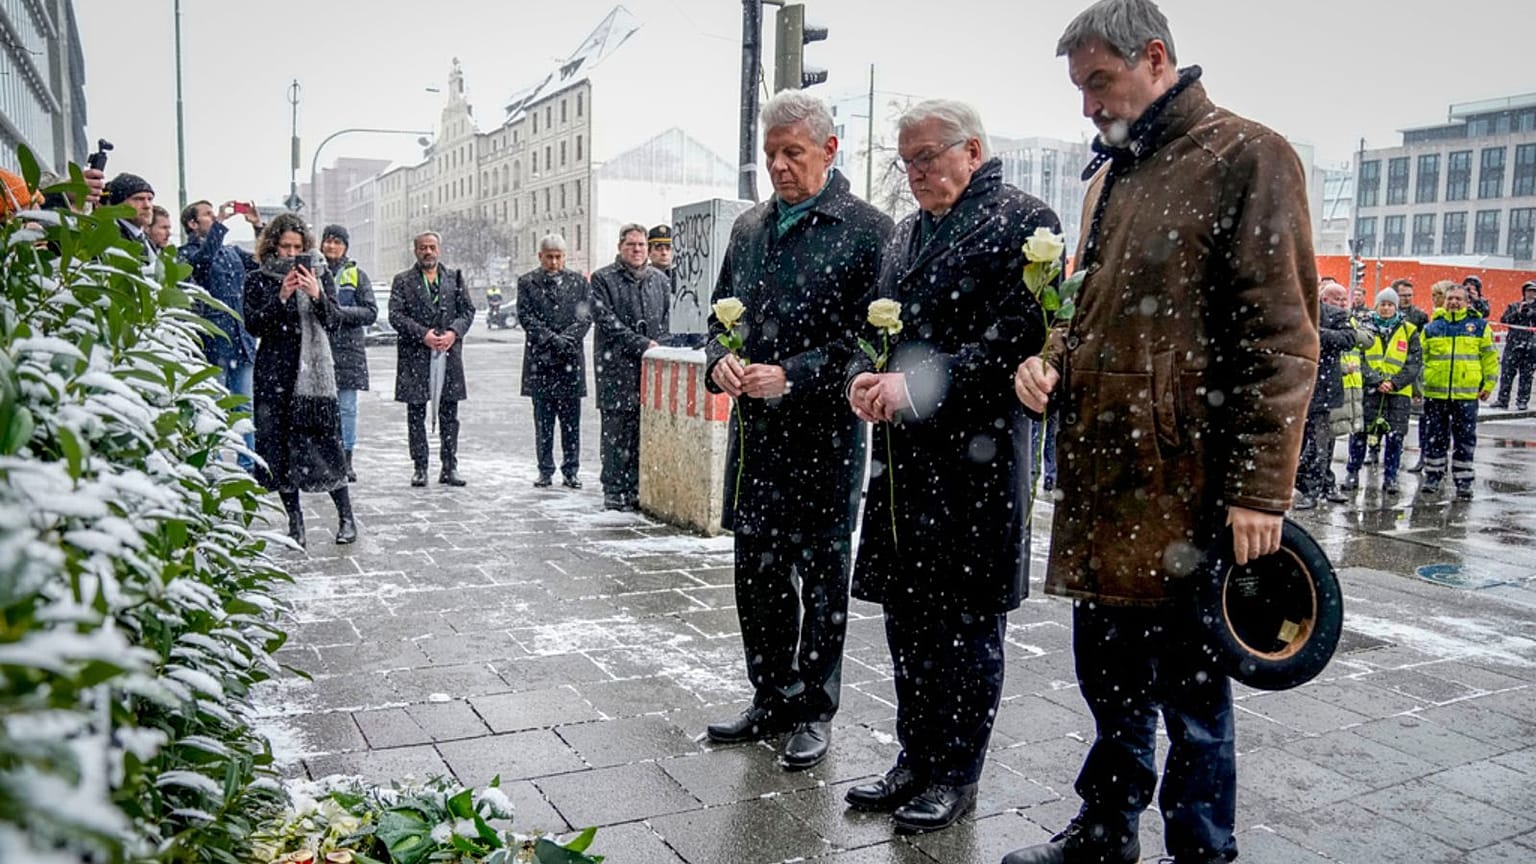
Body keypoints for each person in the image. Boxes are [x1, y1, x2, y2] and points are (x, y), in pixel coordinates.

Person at [1007, 2, 1319, 862]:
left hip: (1189, 491)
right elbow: (1087, 311)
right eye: (1079, 88)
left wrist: (1261, 492)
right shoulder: (1111, 174)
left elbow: (1282, 340)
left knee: (1194, 698)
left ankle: (1201, 849)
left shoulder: (1247, 155)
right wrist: (1050, 359)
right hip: (1107, 484)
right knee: (1108, 681)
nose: (1087, 105)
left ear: (1154, 57)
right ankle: (1106, 829)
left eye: (1098, 82)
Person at [844, 99, 1056, 835]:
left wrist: (919, 384)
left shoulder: (1024, 222)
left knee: (965, 627)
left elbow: (1017, 339)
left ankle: (956, 773)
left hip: (976, 462)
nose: (914, 173)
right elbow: (874, 323)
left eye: (927, 157)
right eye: (905, 161)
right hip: (905, 464)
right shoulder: (905, 232)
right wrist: (862, 378)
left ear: (972, 150)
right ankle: (915, 757)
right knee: (908, 620)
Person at [702, 91, 893, 773]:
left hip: (823, 440)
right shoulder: (749, 229)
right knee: (756, 578)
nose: (779, 167)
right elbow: (717, 320)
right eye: (770, 155)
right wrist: (718, 361)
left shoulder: (868, 231)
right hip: (756, 440)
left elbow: (872, 342)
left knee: (821, 580)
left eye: (793, 153)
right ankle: (771, 696)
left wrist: (795, 374)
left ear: (830, 150)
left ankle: (814, 707)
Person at [242, 213, 356, 547]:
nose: (291, 254)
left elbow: (334, 322)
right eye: (285, 247)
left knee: (326, 445)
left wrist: (317, 295)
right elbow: (254, 325)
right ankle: (296, 522)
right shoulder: (258, 278)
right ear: (272, 246)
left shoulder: (320, 274)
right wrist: (280, 297)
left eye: (297, 247)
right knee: (279, 450)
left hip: (314, 377)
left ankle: (346, 518)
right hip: (274, 373)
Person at [179, 199, 264, 469]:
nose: (214, 217)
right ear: (192, 224)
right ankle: (213, 464)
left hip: (242, 340)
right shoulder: (186, 254)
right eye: (207, 215)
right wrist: (219, 225)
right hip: (213, 343)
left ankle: (247, 464)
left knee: (244, 407)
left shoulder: (231, 252)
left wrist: (257, 227)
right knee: (212, 408)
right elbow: (202, 264)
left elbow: (261, 261)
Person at [590, 224, 670, 510]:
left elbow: (668, 319)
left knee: (641, 432)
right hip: (616, 369)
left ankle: (635, 487)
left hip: (650, 369)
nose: (637, 249)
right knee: (615, 433)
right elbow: (607, 322)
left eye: (641, 245)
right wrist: (642, 344)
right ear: (620, 247)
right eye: (631, 244)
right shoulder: (603, 279)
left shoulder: (659, 280)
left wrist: (660, 345)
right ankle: (613, 489)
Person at [389, 231, 476, 487]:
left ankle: (449, 466)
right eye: (423, 247)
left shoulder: (454, 278)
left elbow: (468, 311)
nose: (428, 252)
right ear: (415, 251)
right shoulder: (403, 281)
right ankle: (420, 466)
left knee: (450, 414)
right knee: (416, 414)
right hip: (415, 356)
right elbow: (396, 315)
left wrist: (453, 333)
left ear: (439, 249)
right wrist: (423, 334)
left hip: (448, 354)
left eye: (432, 247)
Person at [517, 234, 592, 489]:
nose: (554, 262)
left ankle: (571, 470)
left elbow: (585, 317)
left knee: (571, 423)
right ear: (540, 256)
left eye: (558, 257)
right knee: (544, 422)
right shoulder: (527, 282)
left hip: (570, 361)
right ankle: (545, 470)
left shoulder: (579, 282)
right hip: (541, 362)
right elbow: (526, 317)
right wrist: (551, 339)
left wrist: (566, 339)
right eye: (549, 257)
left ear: (564, 256)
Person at [1295, 281, 1371, 509]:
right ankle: (1317, 484)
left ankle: (1314, 489)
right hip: (1299, 387)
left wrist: (1315, 333)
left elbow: (1348, 339)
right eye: (1337, 298)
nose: (1341, 302)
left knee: (1320, 442)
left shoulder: (1336, 315)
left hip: (1324, 390)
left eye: (1343, 298)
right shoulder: (1297, 310)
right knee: (1301, 442)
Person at [1420, 283, 1499, 500]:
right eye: (1450, 299)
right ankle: (1433, 476)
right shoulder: (1432, 328)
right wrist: (1419, 386)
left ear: (1467, 302)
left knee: (1464, 439)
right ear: (1444, 302)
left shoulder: (1479, 327)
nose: (1454, 302)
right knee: (1435, 438)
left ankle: (1464, 481)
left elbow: (1490, 358)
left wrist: (1488, 385)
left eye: (1458, 299)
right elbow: (1421, 359)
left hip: (1466, 395)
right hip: (1436, 394)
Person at [1341, 288, 1420, 495]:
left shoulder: (1409, 331)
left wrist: (1394, 383)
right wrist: (1376, 380)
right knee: (1359, 433)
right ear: (1376, 306)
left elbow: (1413, 363)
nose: (1386, 308)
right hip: (1370, 390)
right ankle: (1352, 473)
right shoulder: (1363, 328)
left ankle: (1391, 477)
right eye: (1382, 304)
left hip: (1398, 394)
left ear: (1396, 307)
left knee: (1395, 438)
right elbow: (1358, 357)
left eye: (1390, 305)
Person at [320, 224, 378, 482]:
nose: (332, 246)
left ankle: (345, 460)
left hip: (347, 351)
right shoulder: (312, 271)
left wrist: (339, 313)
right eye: (328, 241)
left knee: (347, 408)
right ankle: (323, 458)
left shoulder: (356, 275)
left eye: (337, 242)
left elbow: (370, 312)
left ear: (345, 247)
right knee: (320, 407)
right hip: (319, 349)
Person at [1493, 281, 1536, 409]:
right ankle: (1502, 399)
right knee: (1507, 373)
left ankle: (1522, 401)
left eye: (1534, 291)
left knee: (1526, 375)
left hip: (1531, 346)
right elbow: (1504, 320)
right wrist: (1518, 312)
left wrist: (1532, 312)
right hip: (1513, 344)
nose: (1531, 294)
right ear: (1524, 292)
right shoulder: (1514, 306)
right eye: (1529, 291)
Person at [103, 172, 156, 262]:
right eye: (138, 199)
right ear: (119, 204)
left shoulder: (145, 240)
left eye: (150, 199)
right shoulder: (109, 237)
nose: (147, 205)